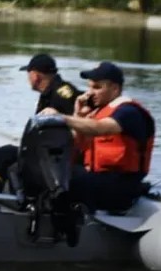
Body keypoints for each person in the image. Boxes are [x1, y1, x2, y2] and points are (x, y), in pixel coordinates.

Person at [39, 61, 155, 212]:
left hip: (120, 186)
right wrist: (79, 114)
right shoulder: (95, 113)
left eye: (97, 87)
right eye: (89, 87)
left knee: (64, 179)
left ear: (114, 88)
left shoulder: (128, 112)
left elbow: (102, 128)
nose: (90, 92)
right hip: (98, 178)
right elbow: (74, 146)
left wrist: (62, 118)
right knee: (50, 170)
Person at [0, 53, 82, 201]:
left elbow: (76, 122)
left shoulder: (61, 94)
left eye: (28, 75)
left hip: (53, 159)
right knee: (4, 155)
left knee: (0, 157)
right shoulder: (53, 92)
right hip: (45, 153)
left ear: (35, 76)